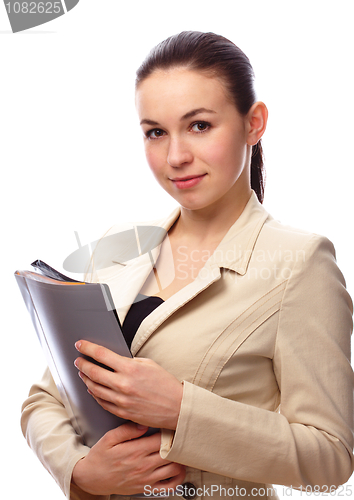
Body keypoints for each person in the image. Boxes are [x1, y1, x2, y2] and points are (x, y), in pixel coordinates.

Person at [21, 31, 354, 500]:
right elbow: (44, 399)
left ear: (254, 124)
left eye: (199, 125)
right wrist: (82, 471)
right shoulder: (120, 244)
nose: (175, 157)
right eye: (156, 132)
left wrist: (181, 410)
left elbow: (331, 458)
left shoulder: (300, 263)